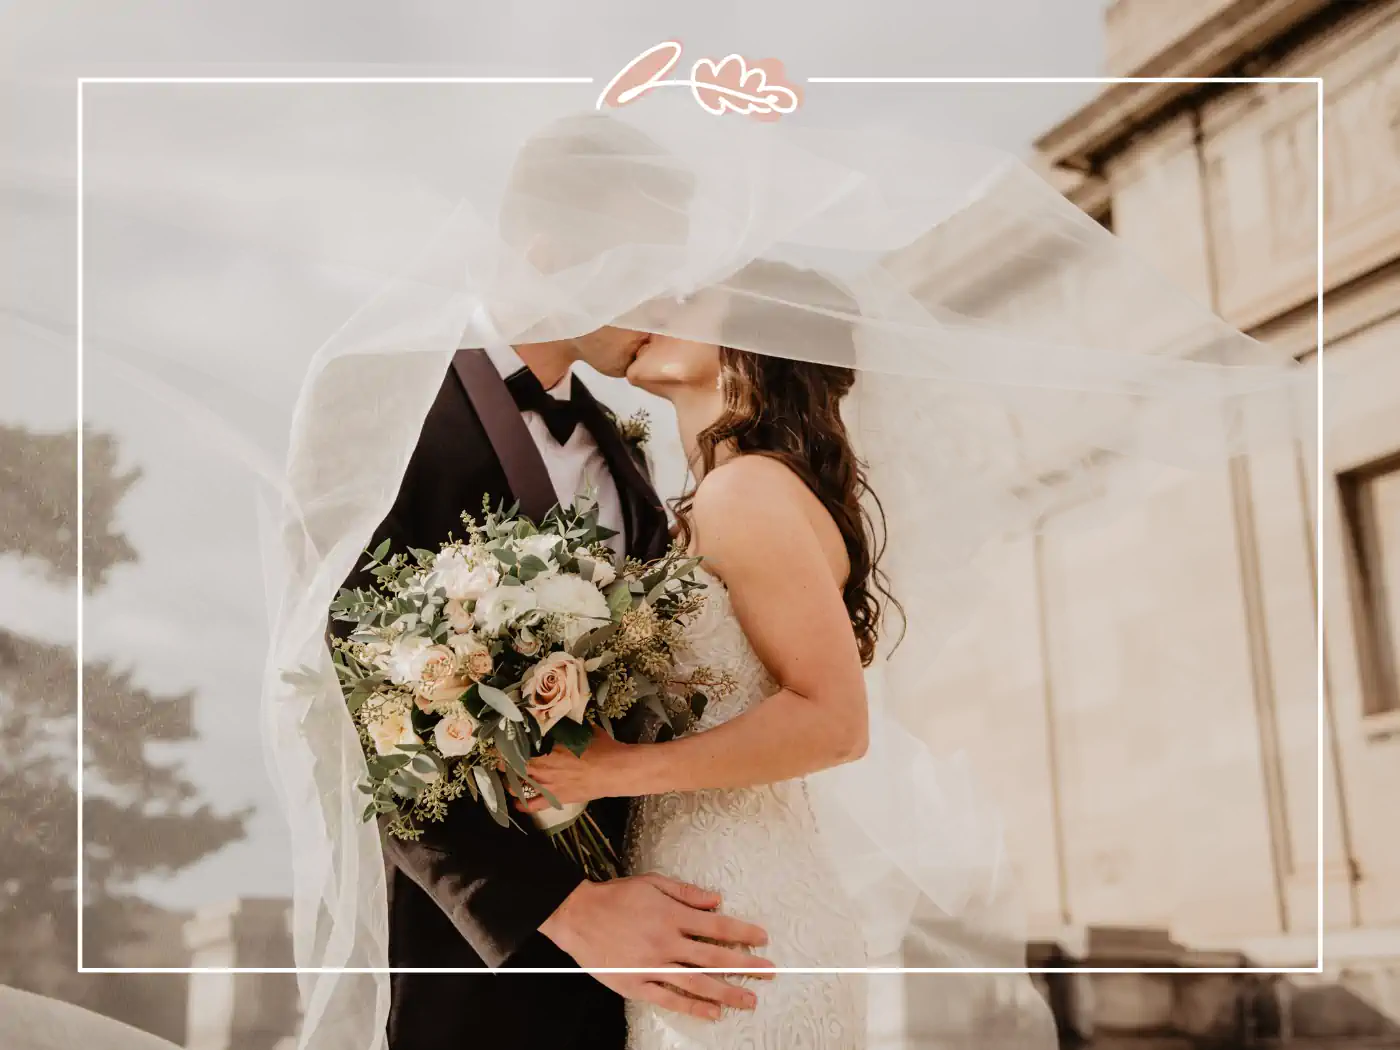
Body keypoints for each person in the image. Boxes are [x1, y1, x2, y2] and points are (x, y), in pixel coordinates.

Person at [517, 276, 889, 1049]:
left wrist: (609, 771)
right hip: (704, 898)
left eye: (686, 298)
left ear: (751, 337)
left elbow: (835, 722)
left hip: (743, 915)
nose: (652, 307)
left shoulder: (746, 491)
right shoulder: (716, 496)